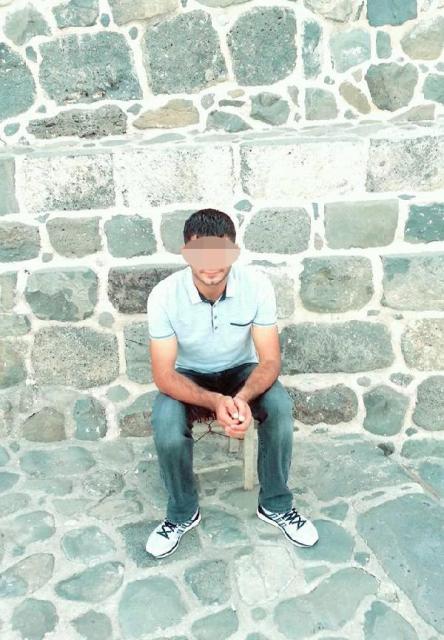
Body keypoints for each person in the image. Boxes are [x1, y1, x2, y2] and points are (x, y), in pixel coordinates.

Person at [145, 208, 319, 558]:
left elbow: (269, 360)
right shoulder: (163, 295)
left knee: (279, 406)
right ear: (185, 252)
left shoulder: (257, 286)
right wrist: (216, 402)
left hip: (241, 370)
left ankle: (276, 503)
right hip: (189, 375)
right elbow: (164, 375)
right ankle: (181, 511)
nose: (210, 264)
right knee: (165, 422)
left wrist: (241, 398)